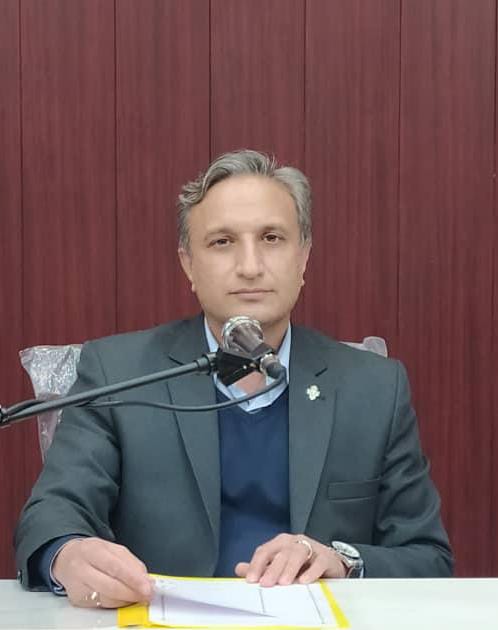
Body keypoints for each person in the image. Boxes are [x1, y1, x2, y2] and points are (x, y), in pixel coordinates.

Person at [14, 149, 453, 609]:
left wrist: (343, 560)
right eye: (222, 242)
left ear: (304, 257)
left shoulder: (374, 387)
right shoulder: (118, 372)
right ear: (188, 264)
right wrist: (67, 555)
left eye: (272, 238)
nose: (250, 266)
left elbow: (428, 558)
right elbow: (51, 515)